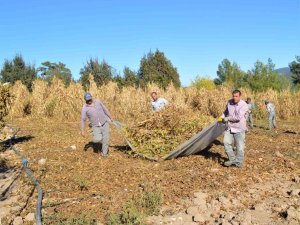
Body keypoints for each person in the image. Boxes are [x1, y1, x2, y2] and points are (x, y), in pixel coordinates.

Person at [220, 90, 248, 168]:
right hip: (230, 127)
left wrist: (227, 118)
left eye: (236, 96)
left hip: (239, 128)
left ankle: (238, 163)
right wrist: (222, 116)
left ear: (240, 96)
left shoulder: (244, 105)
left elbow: (238, 117)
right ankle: (232, 159)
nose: (234, 98)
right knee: (226, 142)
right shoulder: (229, 102)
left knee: (240, 147)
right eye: (233, 96)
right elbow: (226, 111)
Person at [80, 92, 112, 158]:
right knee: (97, 139)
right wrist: (82, 130)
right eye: (87, 100)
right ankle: (98, 142)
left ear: (91, 97)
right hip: (95, 125)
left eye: (90, 99)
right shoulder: (84, 108)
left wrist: (110, 117)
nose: (89, 101)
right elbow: (83, 119)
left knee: (106, 140)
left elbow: (105, 109)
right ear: (85, 100)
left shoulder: (98, 102)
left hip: (104, 123)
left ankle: (104, 154)